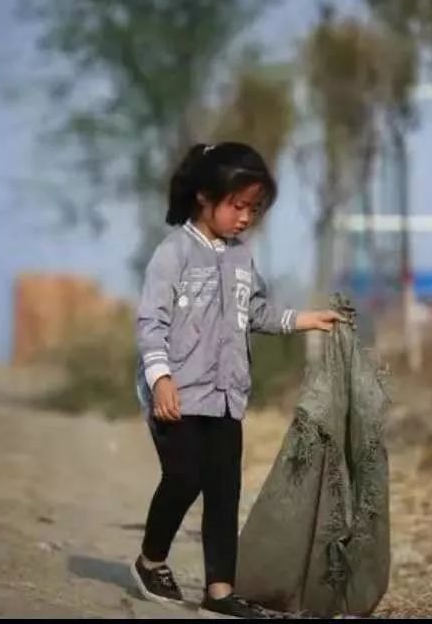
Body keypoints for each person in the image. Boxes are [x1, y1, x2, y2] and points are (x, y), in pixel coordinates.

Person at [130, 141, 344, 618]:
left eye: (255, 208)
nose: (245, 217)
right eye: (237, 205)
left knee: (224, 491)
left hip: (227, 396)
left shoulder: (242, 257)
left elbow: (257, 311)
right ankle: (150, 561)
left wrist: (303, 319)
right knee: (184, 478)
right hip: (177, 395)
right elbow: (150, 323)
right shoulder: (174, 252)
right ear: (205, 198)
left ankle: (220, 591)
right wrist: (161, 379)